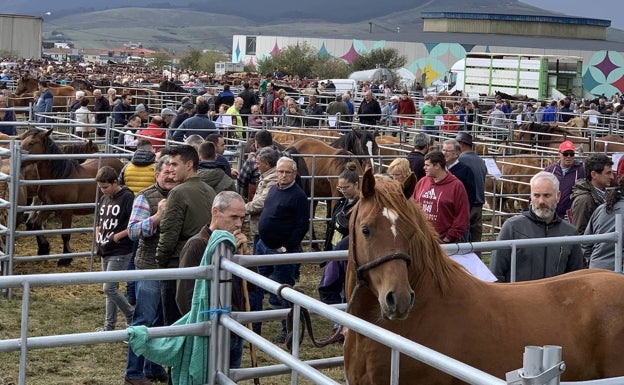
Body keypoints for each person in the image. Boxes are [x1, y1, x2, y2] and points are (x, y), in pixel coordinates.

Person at [176, 191, 248, 369]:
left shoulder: (234, 245)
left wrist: (244, 254)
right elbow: (184, 295)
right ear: (215, 212)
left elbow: (252, 286)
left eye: (242, 218)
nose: (238, 224)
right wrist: (201, 328)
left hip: (233, 328)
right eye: (233, 217)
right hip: (209, 332)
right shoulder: (197, 245)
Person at [123, 155, 176, 385]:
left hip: (173, 266)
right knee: (144, 317)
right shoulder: (145, 196)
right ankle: (133, 373)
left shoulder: (181, 195)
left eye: (174, 172)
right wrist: (156, 217)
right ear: (157, 175)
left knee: (162, 320)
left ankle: (153, 366)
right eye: (166, 172)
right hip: (149, 265)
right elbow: (133, 231)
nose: (170, 176)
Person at [155, 145, 216, 327]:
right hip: (203, 262)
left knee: (175, 325)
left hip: (178, 266)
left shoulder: (178, 193)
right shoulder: (209, 190)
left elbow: (168, 233)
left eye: (175, 164)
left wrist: (160, 261)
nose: (171, 169)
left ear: (189, 165)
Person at [489, 171, 584, 282]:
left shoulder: (570, 233)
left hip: (555, 298)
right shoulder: (512, 228)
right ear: (531, 196)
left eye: (547, 195)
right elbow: (495, 274)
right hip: (519, 297)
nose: (541, 201)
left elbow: (576, 278)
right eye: (536, 195)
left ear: (558, 196)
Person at [253, 156, 308, 342]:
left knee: (284, 290)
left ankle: (288, 329)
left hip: (281, 250)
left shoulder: (299, 196)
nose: (283, 175)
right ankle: (254, 325)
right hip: (263, 246)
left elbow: (302, 226)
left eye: (287, 172)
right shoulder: (273, 189)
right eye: (280, 171)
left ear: (295, 174)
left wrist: (286, 247)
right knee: (257, 286)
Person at [318, 162, 360, 344]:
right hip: (335, 252)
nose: (341, 190)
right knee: (329, 288)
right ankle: (339, 326)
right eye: (339, 187)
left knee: (345, 291)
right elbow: (331, 226)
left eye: (345, 187)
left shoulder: (362, 206)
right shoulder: (341, 202)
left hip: (347, 255)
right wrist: (327, 250)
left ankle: (344, 329)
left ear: (356, 185)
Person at [94, 166, 135, 332]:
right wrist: (98, 235)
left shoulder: (127, 197)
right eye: (100, 188)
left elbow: (133, 223)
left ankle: (131, 314)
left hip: (120, 250)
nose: (103, 191)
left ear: (115, 182)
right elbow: (99, 220)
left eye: (105, 187)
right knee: (110, 290)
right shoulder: (104, 199)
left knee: (109, 288)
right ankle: (108, 325)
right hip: (105, 248)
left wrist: (118, 236)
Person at [412, 150, 470, 244]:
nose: (424, 168)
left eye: (427, 165)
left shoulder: (456, 186)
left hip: (444, 241)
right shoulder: (422, 182)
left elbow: (462, 216)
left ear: (437, 166)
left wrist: (448, 238)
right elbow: (413, 205)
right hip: (422, 239)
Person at [583, 177, 624, 271]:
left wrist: (593, 261)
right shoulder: (602, 208)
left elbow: (585, 243)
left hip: (595, 268)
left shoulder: (601, 208)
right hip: (616, 273)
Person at [570, 154, 613, 235]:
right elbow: (579, 233)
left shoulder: (605, 194)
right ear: (594, 174)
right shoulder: (584, 200)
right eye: (608, 173)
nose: (612, 177)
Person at [245, 147, 278, 252]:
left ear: (267, 164)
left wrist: (243, 208)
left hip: (264, 228)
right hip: (261, 226)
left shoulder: (273, 179)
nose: (256, 166)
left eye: (258, 163)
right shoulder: (267, 177)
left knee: (261, 258)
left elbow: (262, 202)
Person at [456, 132, 487, 244]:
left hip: (467, 204)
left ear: (461, 144)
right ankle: (477, 260)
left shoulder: (460, 160)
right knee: (476, 238)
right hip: (479, 203)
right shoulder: (480, 160)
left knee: (463, 238)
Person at [544, 140, 585, 220]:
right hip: (551, 213)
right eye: (565, 154)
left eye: (571, 154)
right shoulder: (550, 170)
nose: (568, 157)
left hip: (570, 215)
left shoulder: (581, 171)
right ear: (559, 154)